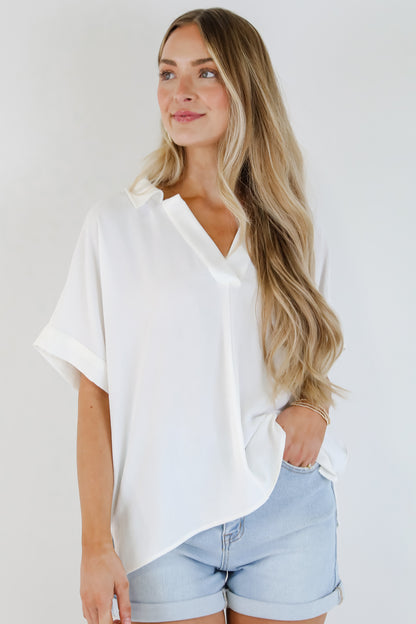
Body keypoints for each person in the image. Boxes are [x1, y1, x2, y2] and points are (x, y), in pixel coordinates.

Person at [33, 7, 348, 624]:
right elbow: (94, 397)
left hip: (286, 506)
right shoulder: (117, 225)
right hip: (162, 523)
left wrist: (315, 407)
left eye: (206, 73)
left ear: (244, 85)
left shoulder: (291, 220)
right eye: (167, 72)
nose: (180, 91)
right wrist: (94, 544)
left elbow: (319, 343)